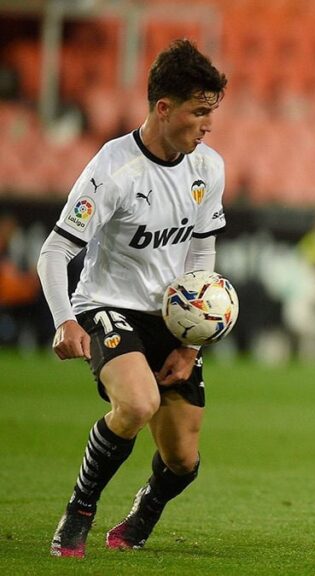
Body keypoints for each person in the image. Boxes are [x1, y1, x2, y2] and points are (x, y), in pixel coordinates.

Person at [38, 39, 228, 557]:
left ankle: (141, 517)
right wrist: (64, 321)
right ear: (164, 109)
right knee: (138, 403)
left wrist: (193, 339)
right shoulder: (113, 169)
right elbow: (54, 252)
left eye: (213, 112)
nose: (208, 124)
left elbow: (201, 250)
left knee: (184, 461)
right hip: (108, 306)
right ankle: (77, 514)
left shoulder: (208, 167)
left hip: (173, 317)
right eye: (200, 112)